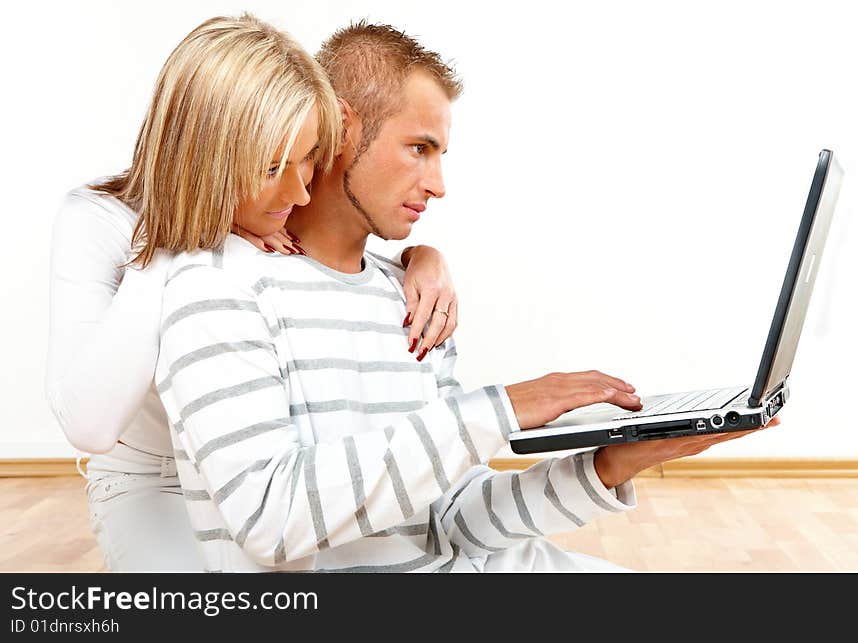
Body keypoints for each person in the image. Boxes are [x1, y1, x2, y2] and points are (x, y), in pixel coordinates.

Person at [156, 20, 775, 572]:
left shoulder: (413, 297)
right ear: (342, 127)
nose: (439, 183)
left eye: (441, 154)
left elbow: (450, 523)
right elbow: (271, 519)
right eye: (419, 148)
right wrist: (501, 409)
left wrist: (610, 465)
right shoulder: (219, 288)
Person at [46, 14, 461, 572]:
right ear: (212, 152)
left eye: (305, 161)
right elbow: (90, 426)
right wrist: (182, 237)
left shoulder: (271, 207)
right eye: (272, 166)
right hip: (155, 482)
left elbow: (340, 239)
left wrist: (419, 258)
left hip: (259, 470)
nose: (297, 189)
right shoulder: (99, 221)